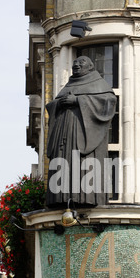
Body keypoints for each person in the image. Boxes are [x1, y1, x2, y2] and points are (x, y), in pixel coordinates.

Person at [46, 56, 117, 207]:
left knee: (83, 163)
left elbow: (109, 101)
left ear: (91, 67)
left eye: (81, 62)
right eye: (75, 62)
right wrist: (58, 104)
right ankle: (61, 197)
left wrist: (78, 101)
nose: (76, 64)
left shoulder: (99, 83)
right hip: (64, 134)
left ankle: (86, 197)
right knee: (64, 161)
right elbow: (51, 106)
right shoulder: (68, 85)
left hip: (84, 135)